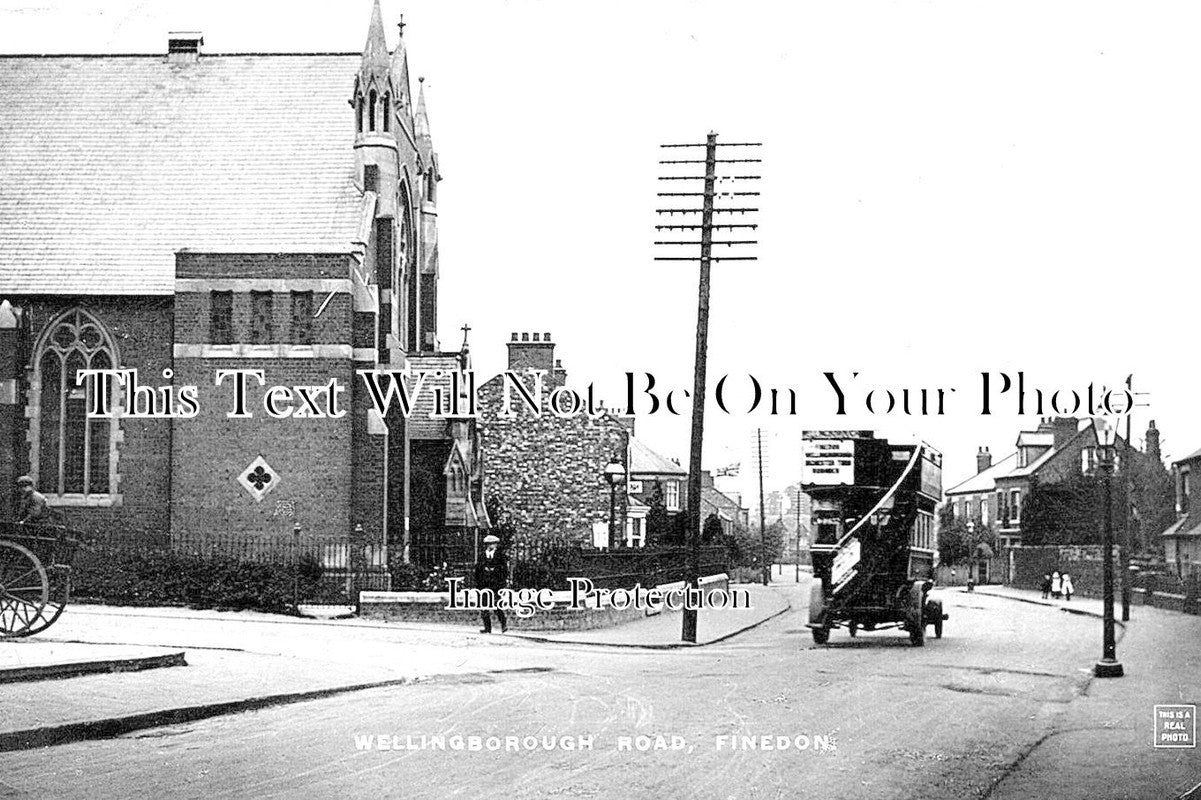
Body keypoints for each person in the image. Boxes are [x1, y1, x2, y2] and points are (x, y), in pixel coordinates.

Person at [474, 534, 508, 633]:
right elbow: (478, 569)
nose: (492, 546)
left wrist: (495, 570)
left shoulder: (500, 555)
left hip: (496, 584)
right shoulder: (482, 555)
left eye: (493, 544)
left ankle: (503, 624)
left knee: (497, 605)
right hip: (484, 584)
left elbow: (504, 569)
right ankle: (487, 627)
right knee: (484, 606)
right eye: (489, 544)